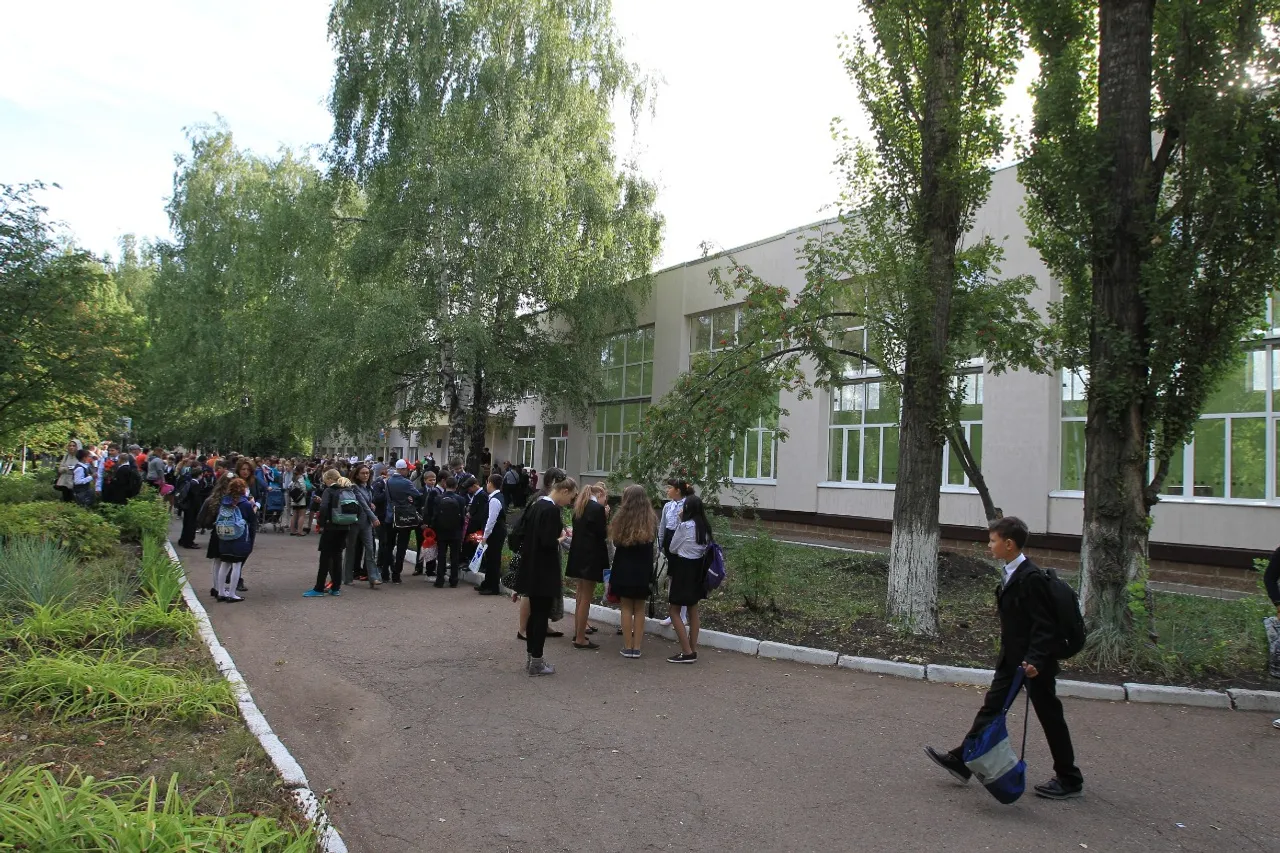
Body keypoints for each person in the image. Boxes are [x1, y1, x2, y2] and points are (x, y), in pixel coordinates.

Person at [924, 516, 1084, 800]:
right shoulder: (1012, 572)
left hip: (1033, 665)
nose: (989, 545)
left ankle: (1069, 778)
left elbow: (1044, 625)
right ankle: (961, 760)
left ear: (1009, 544)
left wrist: (1035, 660)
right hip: (1012, 661)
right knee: (991, 709)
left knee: (1050, 717)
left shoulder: (1031, 578)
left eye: (993, 541)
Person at [515, 477, 578, 676]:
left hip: (531, 567)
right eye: (571, 497)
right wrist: (562, 538)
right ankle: (537, 661)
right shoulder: (551, 510)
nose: (569, 502)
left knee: (535, 615)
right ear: (564, 491)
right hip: (544, 571)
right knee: (541, 616)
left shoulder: (536, 505)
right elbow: (548, 542)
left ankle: (531, 657)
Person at [608, 485, 657, 658]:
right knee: (640, 608)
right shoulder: (651, 518)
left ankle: (627, 647)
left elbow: (615, 541)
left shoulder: (620, 517)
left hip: (624, 567)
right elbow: (654, 543)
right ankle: (637, 647)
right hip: (643, 568)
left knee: (626, 607)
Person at [665, 494, 711, 664]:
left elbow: (672, 548)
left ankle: (686, 651)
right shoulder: (705, 528)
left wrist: (679, 522)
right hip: (698, 569)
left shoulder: (685, 526)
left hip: (684, 568)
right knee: (693, 609)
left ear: (687, 509)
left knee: (674, 610)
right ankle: (692, 649)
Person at [566, 483, 609, 649]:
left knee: (579, 596)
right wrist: (605, 515)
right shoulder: (597, 509)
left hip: (578, 556)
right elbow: (602, 534)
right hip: (591, 558)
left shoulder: (580, 507)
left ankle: (578, 631)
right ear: (600, 495)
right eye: (605, 498)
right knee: (586, 598)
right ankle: (580, 638)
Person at [305, 469, 356, 598]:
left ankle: (319, 588)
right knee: (337, 557)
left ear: (329, 479)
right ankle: (336, 588)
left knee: (325, 558)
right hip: (345, 526)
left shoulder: (329, 490)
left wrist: (321, 523)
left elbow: (324, 508)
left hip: (331, 526)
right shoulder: (347, 490)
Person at [375, 459, 423, 584]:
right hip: (403, 517)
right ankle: (396, 574)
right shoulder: (406, 482)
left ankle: (385, 573)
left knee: (388, 546)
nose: (408, 471)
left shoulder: (389, 481)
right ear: (402, 469)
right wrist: (409, 498)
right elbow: (417, 495)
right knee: (402, 547)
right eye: (407, 469)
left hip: (390, 516)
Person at [212, 477, 257, 603]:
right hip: (239, 537)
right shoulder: (245, 504)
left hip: (224, 536)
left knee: (225, 563)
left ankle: (221, 592)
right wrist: (254, 507)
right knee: (236, 565)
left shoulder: (224, 502)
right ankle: (232, 594)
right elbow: (252, 520)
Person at [660, 479, 694, 629]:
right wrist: (660, 545)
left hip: (682, 544)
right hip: (669, 543)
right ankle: (672, 613)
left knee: (681, 578)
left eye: (670, 488)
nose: (667, 490)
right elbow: (662, 527)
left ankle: (682, 615)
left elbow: (689, 527)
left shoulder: (688, 505)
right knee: (671, 578)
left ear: (678, 490)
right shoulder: (668, 506)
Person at [344, 462, 382, 588]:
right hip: (354, 522)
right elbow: (363, 504)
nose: (366, 475)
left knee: (370, 549)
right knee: (351, 550)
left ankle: (373, 577)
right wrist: (374, 517)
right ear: (357, 475)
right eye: (363, 473)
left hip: (366, 523)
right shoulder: (354, 487)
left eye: (367, 473)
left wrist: (372, 505)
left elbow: (368, 503)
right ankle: (347, 577)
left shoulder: (368, 487)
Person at [433, 476, 468, 587]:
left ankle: (440, 580)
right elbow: (463, 517)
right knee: (455, 556)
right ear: (456, 486)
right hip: (456, 532)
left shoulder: (438, 498)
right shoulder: (461, 499)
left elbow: (435, 516)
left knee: (441, 555)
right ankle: (454, 580)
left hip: (441, 531)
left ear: (445, 485)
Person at [476, 473, 507, 595]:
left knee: (493, 559)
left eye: (488, 482)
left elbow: (491, 520)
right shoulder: (497, 496)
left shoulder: (495, 500)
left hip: (495, 533)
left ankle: (493, 587)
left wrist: (485, 536)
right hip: (496, 532)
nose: (487, 485)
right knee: (489, 558)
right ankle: (487, 583)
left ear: (490, 483)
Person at [176, 466, 212, 549]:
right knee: (191, 525)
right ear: (199, 475)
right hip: (192, 508)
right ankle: (189, 542)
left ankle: (183, 540)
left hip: (187, 507)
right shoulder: (195, 484)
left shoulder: (190, 482)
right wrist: (199, 508)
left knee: (186, 524)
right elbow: (196, 498)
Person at [288, 464, 311, 536]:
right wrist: (305, 492)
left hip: (294, 498)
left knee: (294, 514)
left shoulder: (294, 477)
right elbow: (303, 488)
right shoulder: (301, 477)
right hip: (300, 499)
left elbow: (290, 486)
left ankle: (292, 530)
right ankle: (300, 531)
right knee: (302, 515)